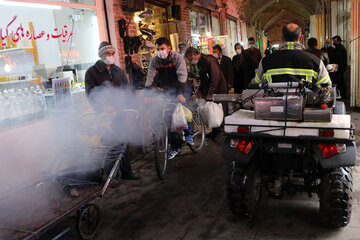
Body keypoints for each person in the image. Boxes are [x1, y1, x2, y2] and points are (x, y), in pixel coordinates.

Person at [85, 41, 139, 180]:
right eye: (107, 53)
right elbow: (90, 94)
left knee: (123, 142)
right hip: (104, 115)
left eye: (112, 53)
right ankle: (111, 176)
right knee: (109, 143)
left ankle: (127, 173)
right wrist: (103, 108)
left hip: (120, 112)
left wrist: (129, 109)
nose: (110, 56)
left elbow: (126, 91)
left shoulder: (118, 71)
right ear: (101, 55)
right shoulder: (92, 72)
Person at [145, 37, 192, 160]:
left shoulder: (177, 58)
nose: (160, 51)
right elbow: (150, 78)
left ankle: (189, 133)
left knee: (183, 111)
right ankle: (175, 147)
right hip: (168, 89)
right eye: (158, 49)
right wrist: (148, 95)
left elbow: (182, 76)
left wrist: (180, 93)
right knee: (169, 118)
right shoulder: (155, 61)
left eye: (162, 48)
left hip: (182, 85)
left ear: (169, 48)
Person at [253, 23, 331, 90]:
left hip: (274, 106)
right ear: (301, 38)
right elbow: (326, 86)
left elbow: (255, 84)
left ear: (282, 38)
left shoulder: (265, 61)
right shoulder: (316, 61)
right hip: (307, 106)